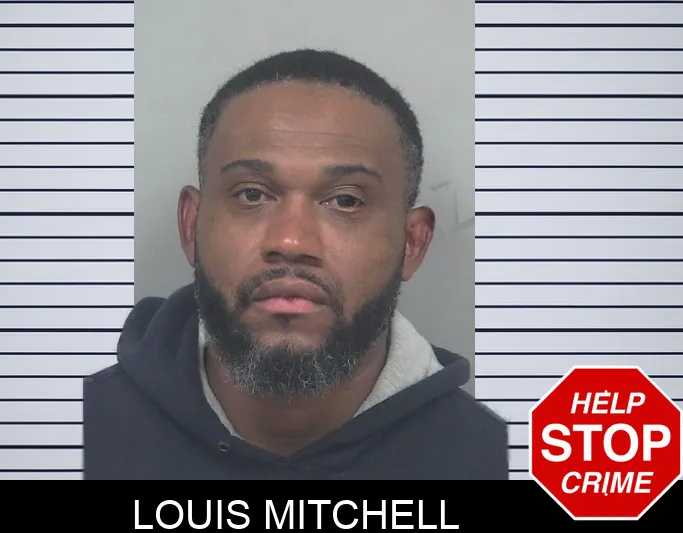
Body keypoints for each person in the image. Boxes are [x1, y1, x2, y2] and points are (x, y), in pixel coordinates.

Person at [83, 48, 508, 480]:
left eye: (346, 201)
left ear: (412, 243)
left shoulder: (499, 463)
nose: (291, 241)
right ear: (191, 225)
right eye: (252, 194)